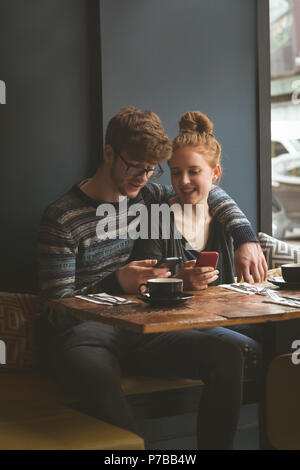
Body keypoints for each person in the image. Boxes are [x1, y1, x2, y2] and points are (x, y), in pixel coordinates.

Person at [37, 106, 267, 449]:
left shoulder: (147, 196)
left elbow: (210, 190)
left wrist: (246, 238)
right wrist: (116, 283)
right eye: (135, 167)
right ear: (109, 153)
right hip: (89, 335)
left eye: (151, 170)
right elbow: (56, 308)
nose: (144, 178)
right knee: (88, 367)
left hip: (145, 329)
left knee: (227, 356)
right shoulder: (62, 217)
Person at [130, 110, 263, 382]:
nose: (184, 181)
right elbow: (141, 289)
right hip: (177, 327)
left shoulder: (226, 220)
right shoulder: (156, 217)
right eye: (176, 173)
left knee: (286, 337)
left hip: (223, 318)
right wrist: (180, 281)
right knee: (248, 349)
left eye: (194, 172)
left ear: (215, 173)